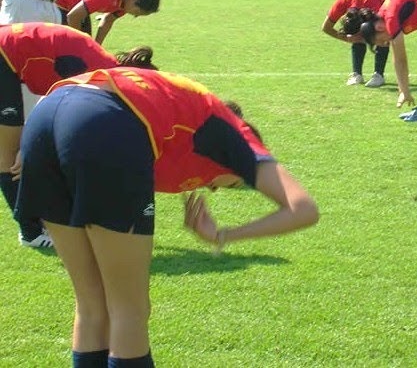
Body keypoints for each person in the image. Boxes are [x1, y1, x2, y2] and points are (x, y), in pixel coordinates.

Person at [15, 67, 319, 366]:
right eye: (234, 184)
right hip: (101, 121)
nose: (214, 190)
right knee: (129, 310)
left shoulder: (189, 124)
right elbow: (304, 209)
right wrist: (222, 235)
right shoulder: (238, 139)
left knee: (92, 305)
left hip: (47, 116)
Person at [0, 22, 156, 248]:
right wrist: (28, 146)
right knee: (9, 156)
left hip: (7, 54)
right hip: (4, 55)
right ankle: (30, 232)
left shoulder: (102, 68)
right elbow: (53, 103)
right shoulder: (94, 71)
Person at [321, 0, 396, 87]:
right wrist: (347, 38)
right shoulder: (341, 3)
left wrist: (364, 35)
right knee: (359, 36)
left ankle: (379, 75)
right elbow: (326, 28)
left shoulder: (374, 6)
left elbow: (386, 31)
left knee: (381, 32)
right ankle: (356, 74)